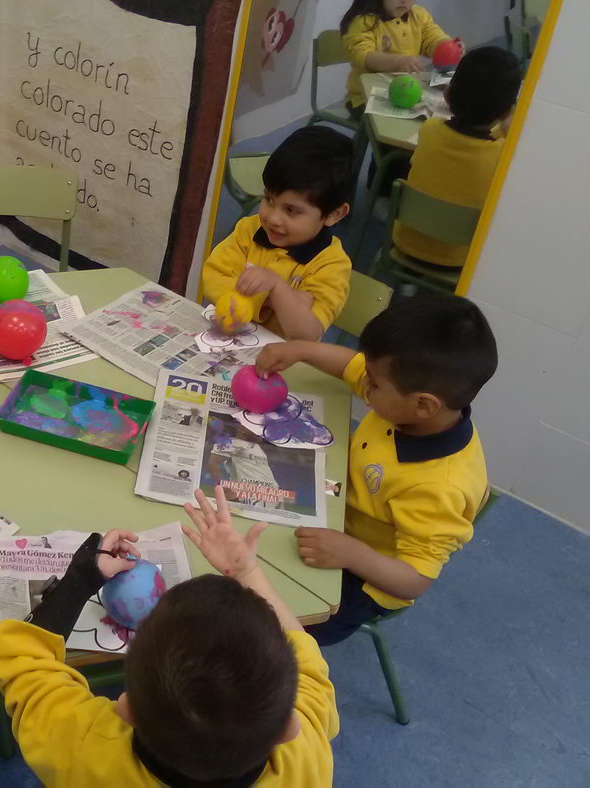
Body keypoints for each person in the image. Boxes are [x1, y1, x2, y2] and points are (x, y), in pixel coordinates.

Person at [0, 486, 339, 786]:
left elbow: (24, 665)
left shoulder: (83, 749)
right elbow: (306, 654)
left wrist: (78, 582)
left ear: (126, 708)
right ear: (287, 729)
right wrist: (246, 571)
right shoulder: (305, 761)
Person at [256, 294, 497, 645]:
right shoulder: (408, 404)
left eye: (374, 382)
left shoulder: (440, 486)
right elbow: (349, 364)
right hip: (335, 510)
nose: (363, 383)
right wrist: (301, 351)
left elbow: (415, 578)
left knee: (261, 622)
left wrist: (352, 554)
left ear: (424, 405)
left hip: (364, 579)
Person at [201, 126, 354, 341]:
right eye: (269, 199)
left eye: (291, 210)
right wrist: (273, 299)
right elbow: (212, 280)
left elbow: (306, 333)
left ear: (334, 214)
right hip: (226, 341)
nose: (272, 218)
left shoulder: (331, 264)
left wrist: (277, 287)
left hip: (280, 361)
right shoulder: (250, 229)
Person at [393, 46, 522, 268]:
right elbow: (499, 141)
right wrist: (507, 124)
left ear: (447, 92)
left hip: (404, 243)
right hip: (458, 261)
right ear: (506, 111)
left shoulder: (430, 130)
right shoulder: (503, 155)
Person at [341, 0, 460, 116]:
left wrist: (448, 47)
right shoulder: (364, 21)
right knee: (396, 129)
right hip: (366, 97)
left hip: (406, 92)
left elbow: (432, 37)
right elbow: (362, 55)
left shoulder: (419, 15)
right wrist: (396, 62)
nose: (404, 1)